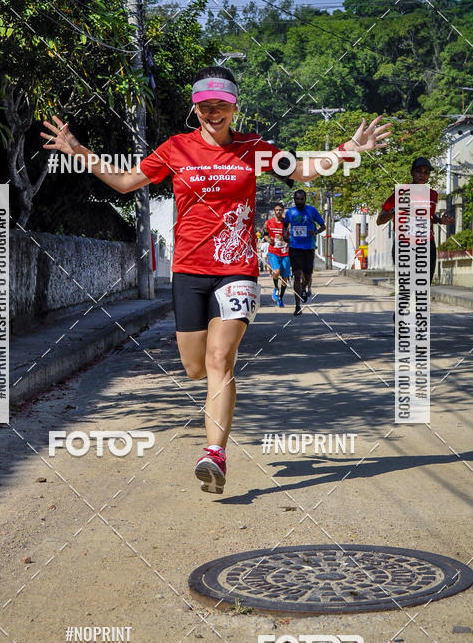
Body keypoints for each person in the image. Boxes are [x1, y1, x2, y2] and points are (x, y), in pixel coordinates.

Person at [41, 67, 390, 494]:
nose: (213, 113)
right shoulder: (175, 148)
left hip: (237, 268)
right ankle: (213, 431)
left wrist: (349, 148)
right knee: (193, 367)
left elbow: (302, 171)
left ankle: (215, 453)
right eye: (205, 106)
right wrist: (77, 149)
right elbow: (125, 181)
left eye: (221, 105)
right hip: (189, 270)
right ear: (195, 108)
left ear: (233, 107)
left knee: (220, 358)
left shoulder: (254, 149)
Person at [376, 156, 454, 283]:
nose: (422, 175)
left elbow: (429, 216)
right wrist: (396, 210)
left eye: (426, 172)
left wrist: (440, 220)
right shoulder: (400, 193)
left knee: (423, 286)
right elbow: (379, 220)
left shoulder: (433, 195)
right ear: (412, 172)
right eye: (419, 171)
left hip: (427, 244)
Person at [283, 190, 325, 315]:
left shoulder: (312, 210)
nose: (299, 201)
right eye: (297, 199)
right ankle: (297, 306)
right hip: (295, 247)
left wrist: (316, 232)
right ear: (294, 199)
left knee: (307, 276)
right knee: (297, 274)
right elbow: (285, 225)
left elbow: (323, 226)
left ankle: (303, 288)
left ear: (305, 199)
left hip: (309, 247)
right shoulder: (290, 212)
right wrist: (285, 235)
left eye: (302, 199)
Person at [263, 202, 291, 308]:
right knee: (276, 271)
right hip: (273, 251)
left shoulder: (287, 223)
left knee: (285, 279)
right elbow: (265, 235)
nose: (278, 212)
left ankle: (280, 298)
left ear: (283, 211)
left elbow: (292, 236)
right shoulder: (268, 223)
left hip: (285, 252)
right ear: (274, 211)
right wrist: (269, 240)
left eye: (280, 210)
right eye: (276, 210)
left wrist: (285, 238)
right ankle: (275, 288)